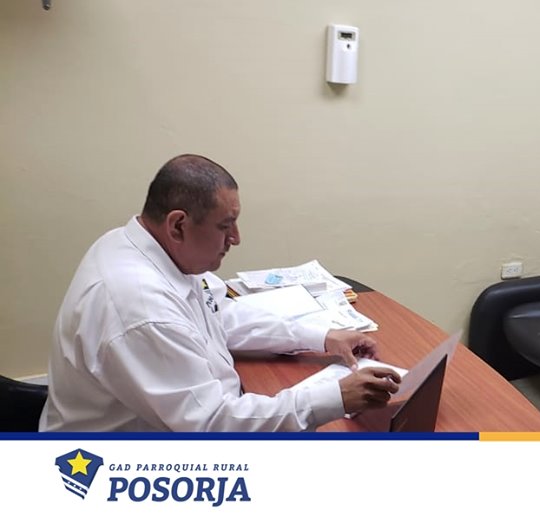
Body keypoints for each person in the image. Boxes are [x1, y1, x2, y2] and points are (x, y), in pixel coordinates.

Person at [41, 154, 400, 432]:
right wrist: (336, 397)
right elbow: (213, 425)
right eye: (225, 226)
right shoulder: (139, 308)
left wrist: (321, 336)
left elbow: (219, 314)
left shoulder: (140, 245)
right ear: (178, 225)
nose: (236, 238)